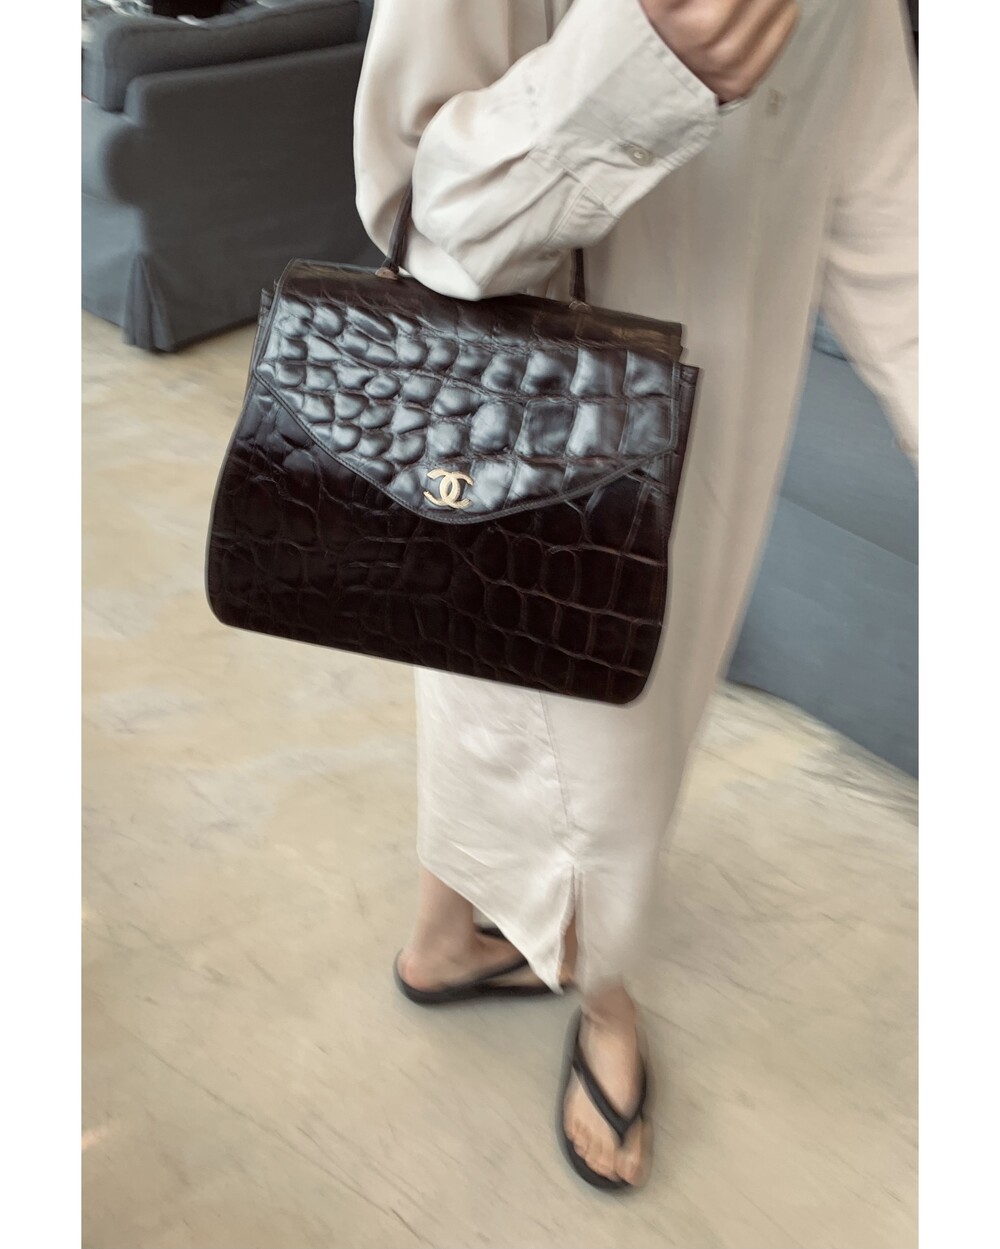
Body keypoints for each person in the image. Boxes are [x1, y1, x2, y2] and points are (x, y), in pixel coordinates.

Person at [354, 0, 917, 1191]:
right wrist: (645, 71)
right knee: (587, 739)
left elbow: (894, 221)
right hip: (522, 411)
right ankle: (603, 996)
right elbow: (420, 208)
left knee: (509, 691)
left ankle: (444, 938)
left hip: (702, 432)